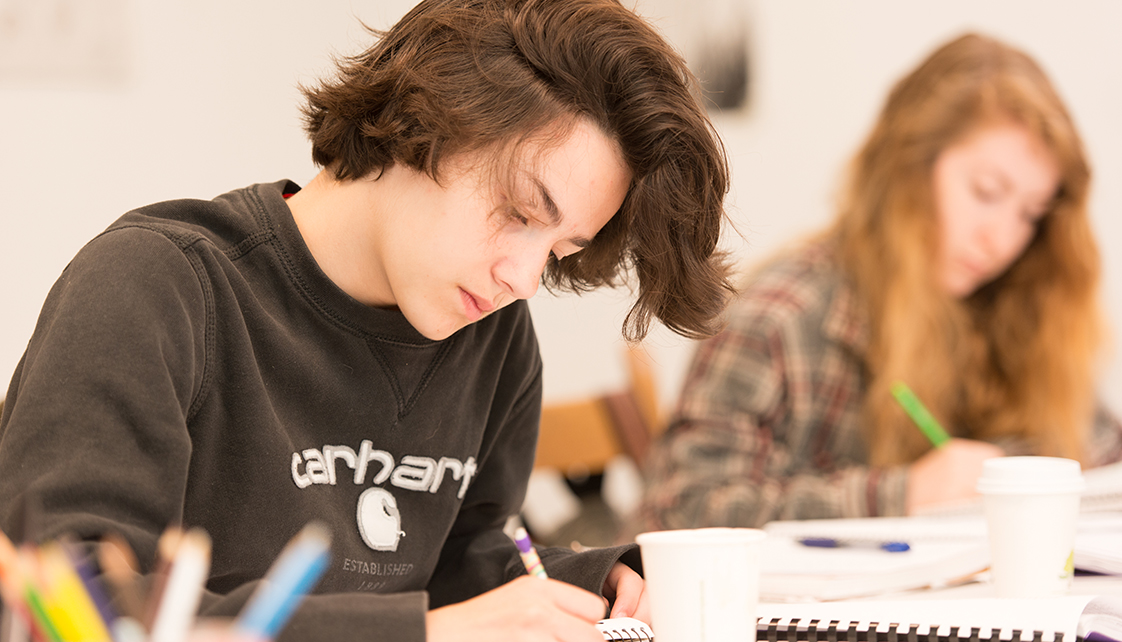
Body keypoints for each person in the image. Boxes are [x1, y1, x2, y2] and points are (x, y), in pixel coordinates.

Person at [0, 1, 733, 641]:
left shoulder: (492, 336)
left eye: (561, 247)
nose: (523, 279)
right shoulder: (156, 289)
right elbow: (74, 607)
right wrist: (418, 634)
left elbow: (465, 563)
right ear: (421, 122)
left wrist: (594, 583)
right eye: (517, 213)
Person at [639, 32, 1122, 530]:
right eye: (986, 191)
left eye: (1031, 214)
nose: (1002, 239)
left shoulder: (1013, 305)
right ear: (907, 167)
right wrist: (905, 494)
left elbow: (1101, 452)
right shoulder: (782, 319)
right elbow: (683, 514)